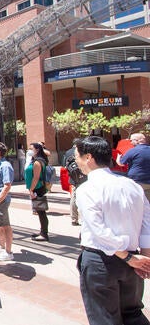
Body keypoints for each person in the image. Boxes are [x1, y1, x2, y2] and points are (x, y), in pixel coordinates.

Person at [74, 136, 150, 325]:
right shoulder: (132, 186)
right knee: (132, 314)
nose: (75, 161)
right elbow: (146, 223)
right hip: (132, 262)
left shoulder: (87, 189)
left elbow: (99, 231)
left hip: (102, 261)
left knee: (104, 318)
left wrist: (129, 258)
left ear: (88, 157)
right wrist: (143, 259)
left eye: (77, 156)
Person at [25, 142, 50, 241]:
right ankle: (42, 231)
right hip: (37, 187)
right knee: (40, 211)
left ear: (37, 150)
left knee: (41, 212)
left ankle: (44, 233)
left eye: (31, 149)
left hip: (37, 188)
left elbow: (36, 177)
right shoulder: (36, 160)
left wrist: (31, 189)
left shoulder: (37, 162)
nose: (29, 151)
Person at [117, 132, 150, 201]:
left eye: (132, 140)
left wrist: (118, 158)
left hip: (137, 181)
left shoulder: (132, 151)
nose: (131, 142)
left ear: (138, 140)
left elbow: (121, 163)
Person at [63, 144, 87, 226]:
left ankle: (74, 218)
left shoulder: (67, 152)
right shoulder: (84, 151)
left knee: (73, 198)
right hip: (84, 177)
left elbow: (64, 166)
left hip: (73, 179)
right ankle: (84, 218)